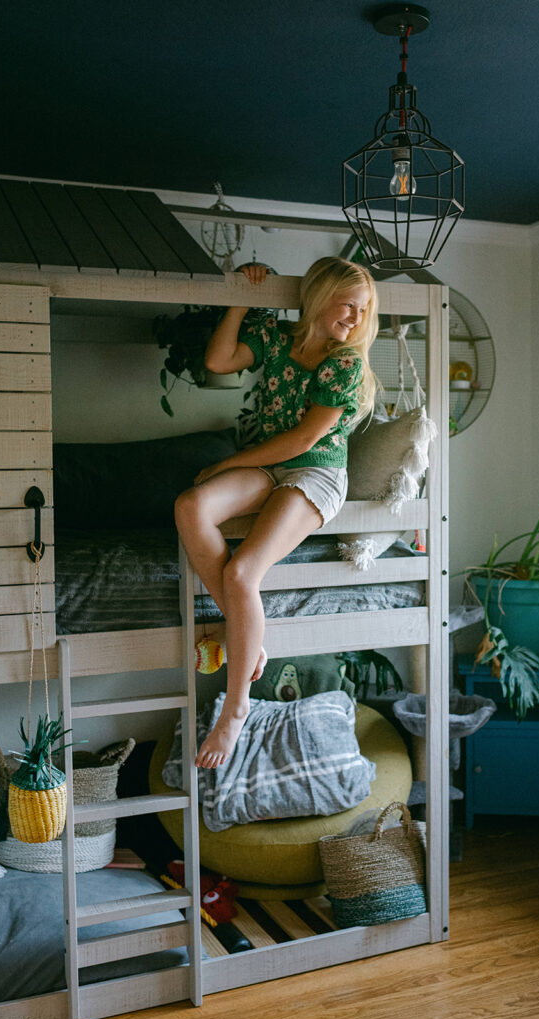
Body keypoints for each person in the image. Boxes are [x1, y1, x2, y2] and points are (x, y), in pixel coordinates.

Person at [175, 256, 379, 769]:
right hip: (270, 466)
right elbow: (219, 361)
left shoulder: (345, 363)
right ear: (319, 295)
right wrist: (240, 299)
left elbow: (306, 438)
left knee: (244, 572)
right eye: (348, 304)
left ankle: (236, 708)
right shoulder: (276, 335)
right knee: (190, 505)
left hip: (315, 472)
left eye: (364, 310)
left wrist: (227, 462)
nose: (356, 318)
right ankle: (250, 638)